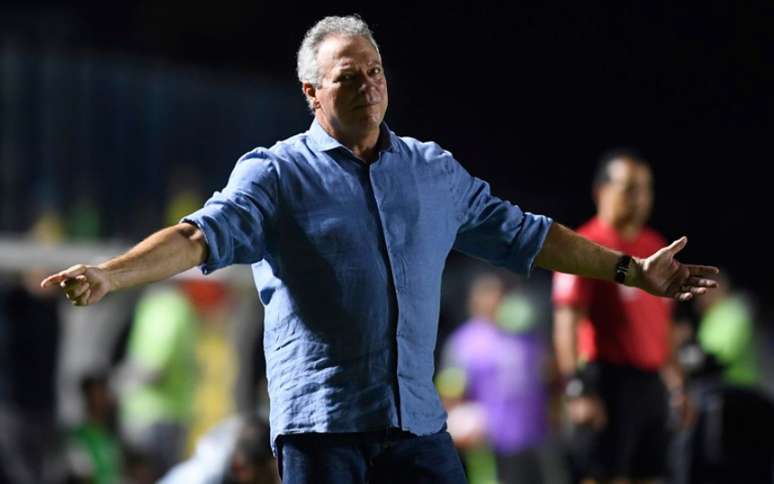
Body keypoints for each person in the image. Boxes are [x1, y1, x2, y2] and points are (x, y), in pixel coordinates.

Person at [42, 16, 718, 484]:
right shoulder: (276, 174)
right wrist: (109, 274)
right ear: (311, 93)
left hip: (418, 429)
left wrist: (631, 271)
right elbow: (198, 236)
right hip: (323, 434)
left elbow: (529, 235)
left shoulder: (433, 171)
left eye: (375, 70)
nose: (368, 83)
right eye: (347, 75)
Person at [552, 150, 687, 484]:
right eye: (629, 188)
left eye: (645, 188)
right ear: (602, 191)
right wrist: (576, 387)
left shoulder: (655, 246)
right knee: (603, 475)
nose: (640, 198)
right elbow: (566, 321)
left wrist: (676, 383)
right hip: (608, 382)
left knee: (651, 475)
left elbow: (663, 324)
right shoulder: (586, 245)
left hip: (650, 383)